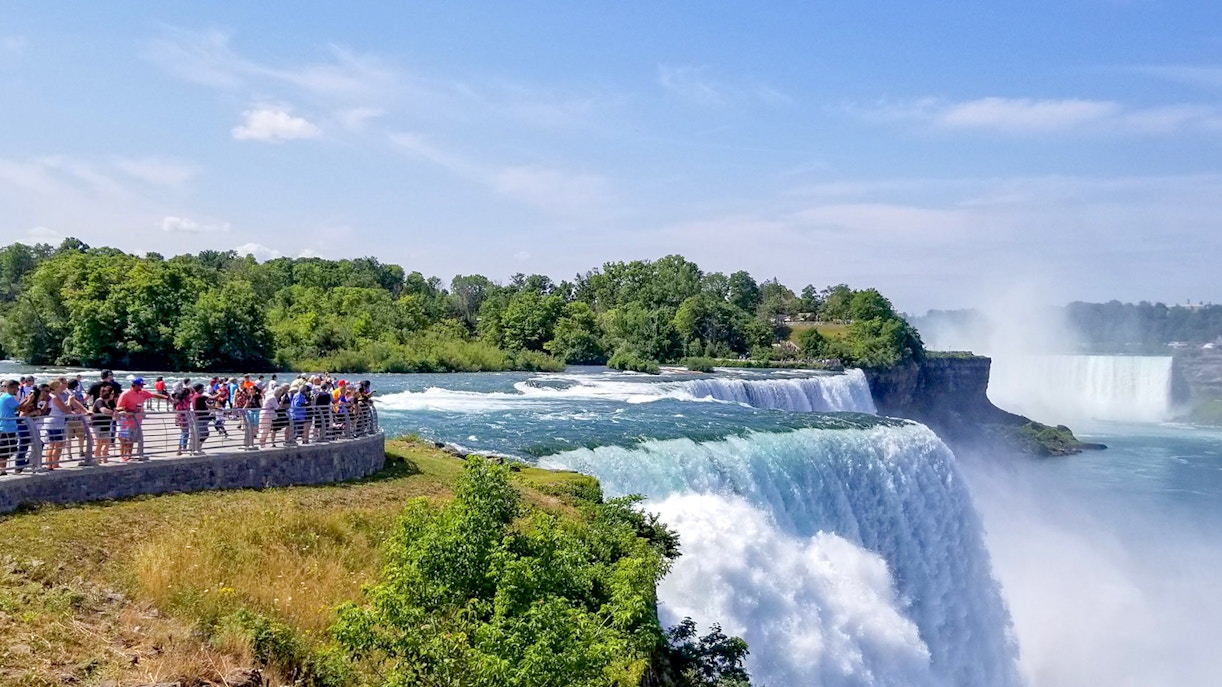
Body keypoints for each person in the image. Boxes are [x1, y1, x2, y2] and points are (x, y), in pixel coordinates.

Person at [114, 377, 168, 461]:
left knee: (133, 440)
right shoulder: (125, 394)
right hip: (126, 421)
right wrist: (131, 411)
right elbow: (119, 408)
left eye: (142, 385)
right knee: (125, 440)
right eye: (140, 386)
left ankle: (130, 456)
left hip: (137, 421)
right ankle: (123, 456)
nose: (141, 387)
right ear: (134, 385)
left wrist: (166, 397)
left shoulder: (143, 393)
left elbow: (153, 395)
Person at [90, 384, 116, 462]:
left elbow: (115, 410)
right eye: (111, 394)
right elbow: (103, 410)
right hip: (97, 425)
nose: (113, 395)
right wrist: (113, 412)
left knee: (107, 442)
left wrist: (117, 412)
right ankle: (97, 459)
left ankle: (105, 459)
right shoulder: (99, 401)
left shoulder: (110, 402)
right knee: (98, 443)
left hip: (106, 425)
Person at [0, 380, 19, 475]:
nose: (17, 390)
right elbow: (20, 408)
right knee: (4, 450)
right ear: (12, 388)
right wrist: (30, 399)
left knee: (6, 450)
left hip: (5, 426)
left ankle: (3, 470)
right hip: (7, 427)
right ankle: (2, 470)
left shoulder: (3, 397)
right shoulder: (8, 397)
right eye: (16, 388)